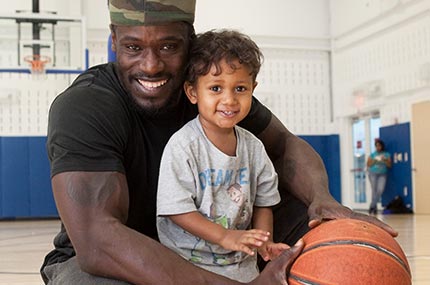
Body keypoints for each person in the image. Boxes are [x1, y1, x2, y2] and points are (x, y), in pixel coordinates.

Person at [40, 0, 398, 284]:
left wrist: (323, 200)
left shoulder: (214, 94)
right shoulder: (85, 107)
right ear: (114, 41)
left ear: (190, 42)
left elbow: (285, 144)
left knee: (333, 241)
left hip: (214, 242)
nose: (151, 66)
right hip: (111, 255)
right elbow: (98, 241)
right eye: (133, 47)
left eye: (168, 46)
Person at [156, 30, 289, 282]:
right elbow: (176, 209)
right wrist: (225, 236)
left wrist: (264, 242)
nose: (229, 100)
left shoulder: (254, 147)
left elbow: (264, 203)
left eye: (240, 88)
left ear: (253, 89)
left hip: (242, 268)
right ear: (193, 92)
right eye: (215, 88)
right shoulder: (183, 146)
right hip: (187, 269)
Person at [367, 139, 392, 215]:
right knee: (374, 190)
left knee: (380, 190)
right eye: (376, 146)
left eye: (379, 146)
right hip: (373, 173)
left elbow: (389, 165)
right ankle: (374, 208)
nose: (378, 147)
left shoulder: (386, 154)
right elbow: (368, 164)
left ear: (382, 146)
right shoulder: (372, 155)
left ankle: (372, 205)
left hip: (382, 174)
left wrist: (385, 160)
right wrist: (375, 160)